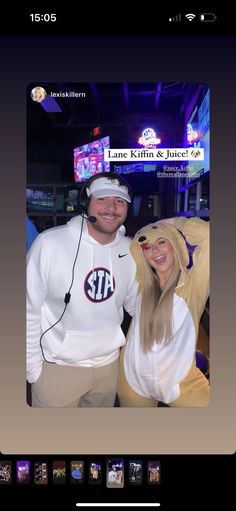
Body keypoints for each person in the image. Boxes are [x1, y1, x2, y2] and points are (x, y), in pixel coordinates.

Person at [27, 172, 137, 407]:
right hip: (57, 370)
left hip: (109, 369)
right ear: (85, 204)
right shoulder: (49, 244)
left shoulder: (131, 251)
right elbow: (27, 309)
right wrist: (33, 370)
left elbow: (137, 305)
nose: (111, 207)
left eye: (119, 201)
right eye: (102, 199)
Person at [118, 216, 210, 407]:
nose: (155, 251)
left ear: (174, 244)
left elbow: (209, 236)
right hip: (132, 379)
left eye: (161, 242)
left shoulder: (193, 285)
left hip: (181, 381)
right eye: (148, 247)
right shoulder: (140, 284)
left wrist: (175, 222)